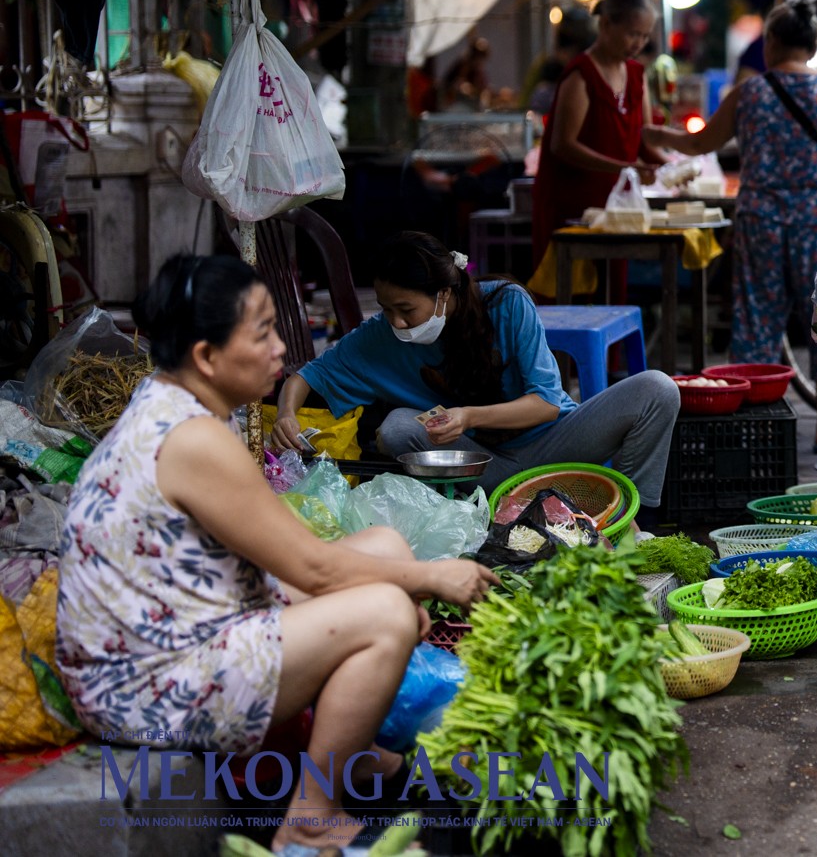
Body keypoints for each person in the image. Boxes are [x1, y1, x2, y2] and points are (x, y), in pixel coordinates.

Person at [60, 255, 496, 854]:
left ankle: (352, 751)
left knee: (385, 548)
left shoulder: (176, 408)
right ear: (207, 357)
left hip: (181, 631)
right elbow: (313, 567)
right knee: (386, 614)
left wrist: (397, 573)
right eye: (262, 331)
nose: (279, 348)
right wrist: (429, 577)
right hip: (146, 688)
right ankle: (311, 817)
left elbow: (288, 561)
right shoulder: (191, 439)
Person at [274, 232, 680, 499]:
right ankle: (502, 503)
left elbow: (547, 404)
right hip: (478, 466)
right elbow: (308, 375)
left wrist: (468, 416)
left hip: (557, 445)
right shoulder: (380, 336)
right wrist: (287, 416)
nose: (396, 321)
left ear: (444, 294)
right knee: (397, 427)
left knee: (657, 389)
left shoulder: (506, 302)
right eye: (386, 309)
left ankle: (631, 514)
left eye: (406, 309)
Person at [671, 0, 817, 453]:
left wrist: (656, 136)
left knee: (757, 322)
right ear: (815, 45)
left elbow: (700, 142)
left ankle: (753, 426)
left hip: (760, 224)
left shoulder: (750, 93)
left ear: (772, 44)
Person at [530, 0, 691, 284]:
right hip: (574, 206)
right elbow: (562, 145)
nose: (638, 43)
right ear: (605, 25)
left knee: (611, 294)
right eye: (632, 34)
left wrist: (671, 168)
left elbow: (641, 138)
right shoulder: (581, 75)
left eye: (644, 36)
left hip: (617, 206)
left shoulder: (635, 74)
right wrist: (625, 168)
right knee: (572, 296)